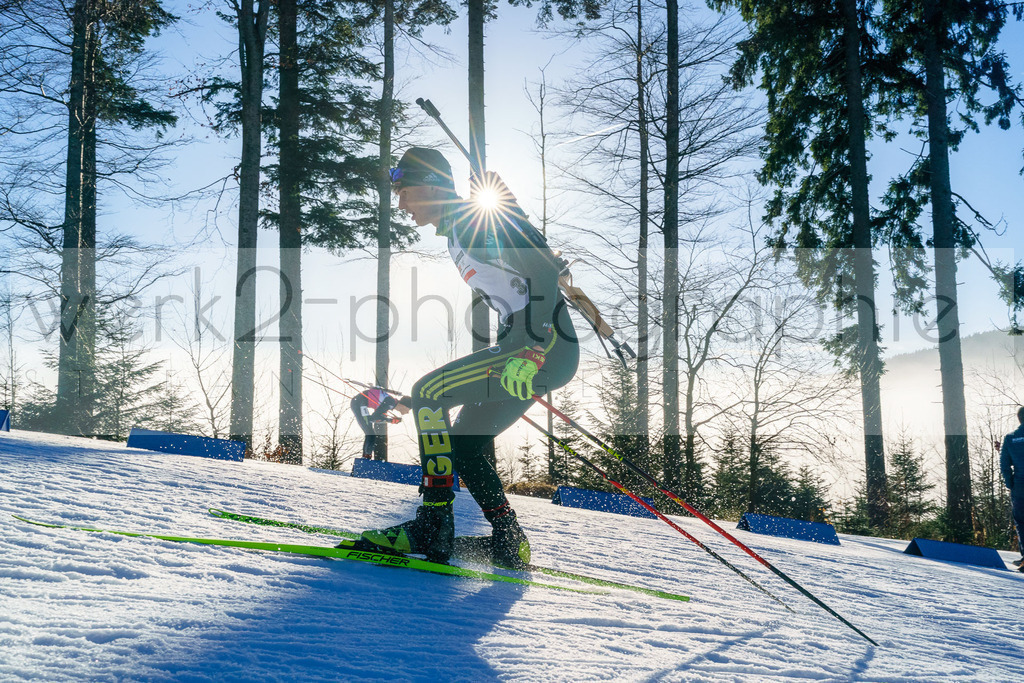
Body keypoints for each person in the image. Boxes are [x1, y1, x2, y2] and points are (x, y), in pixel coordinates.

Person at [358, 147, 579, 568]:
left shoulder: (471, 224)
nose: (401, 203)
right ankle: (508, 538)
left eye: (405, 191)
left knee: (430, 391)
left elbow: (544, 273)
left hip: (541, 344)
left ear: (431, 185)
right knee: (464, 443)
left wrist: (531, 349)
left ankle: (433, 523)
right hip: (533, 344)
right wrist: (423, 404)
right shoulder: (461, 231)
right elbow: (521, 279)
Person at [351, 387, 411, 460]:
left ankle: (365, 457)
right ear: (404, 405)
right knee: (370, 433)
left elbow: (376, 417)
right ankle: (366, 458)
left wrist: (390, 420)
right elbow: (373, 418)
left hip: (359, 402)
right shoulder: (391, 403)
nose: (408, 412)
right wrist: (390, 420)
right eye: (409, 409)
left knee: (370, 433)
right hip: (358, 403)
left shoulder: (391, 402)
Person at [1000, 406, 1024, 571]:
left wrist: (1010, 484)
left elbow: (1004, 464)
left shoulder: (1011, 438)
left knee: (1022, 522)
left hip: (1020, 487)